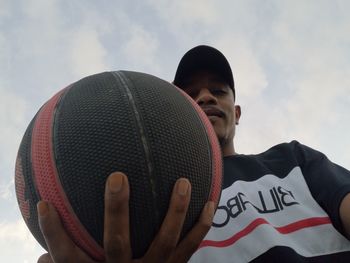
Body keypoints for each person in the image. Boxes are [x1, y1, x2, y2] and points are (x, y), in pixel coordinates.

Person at [37, 45, 350, 262]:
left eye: (218, 90)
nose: (204, 97)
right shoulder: (152, 197)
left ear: (236, 111)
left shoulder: (292, 160)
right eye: (189, 93)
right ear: (174, 111)